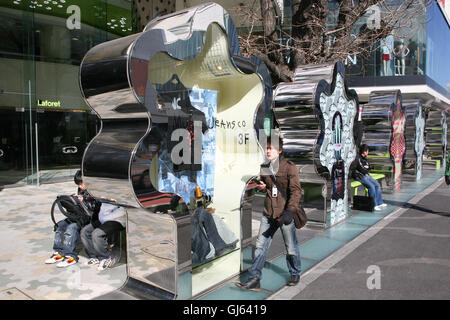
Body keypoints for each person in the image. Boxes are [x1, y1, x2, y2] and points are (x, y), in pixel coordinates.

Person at [236, 134, 302, 290]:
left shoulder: (289, 166)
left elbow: (296, 191)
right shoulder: (264, 166)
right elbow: (269, 186)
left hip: (284, 214)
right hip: (268, 213)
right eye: (266, 148)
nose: (268, 151)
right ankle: (254, 279)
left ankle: (295, 272)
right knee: (260, 246)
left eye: (271, 148)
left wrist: (290, 211)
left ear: (279, 150)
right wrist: (263, 187)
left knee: (291, 247)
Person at [45, 170, 98, 268]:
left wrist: (85, 200)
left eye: (81, 184)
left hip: (89, 219)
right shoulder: (81, 189)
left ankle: (71, 256)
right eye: (78, 185)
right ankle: (59, 252)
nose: (80, 187)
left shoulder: (95, 190)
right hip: (78, 216)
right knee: (60, 225)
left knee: (71, 228)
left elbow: (95, 207)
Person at [80, 198, 126, 271]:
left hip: (117, 220)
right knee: (85, 231)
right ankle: (94, 257)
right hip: (103, 219)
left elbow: (123, 210)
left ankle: (105, 258)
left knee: (97, 234)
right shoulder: (103, 193)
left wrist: (106, 218)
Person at [350, 144, 387, 211]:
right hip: (360, 176)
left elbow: (369, 166)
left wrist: (368, 168)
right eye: (367, 151)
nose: (368, 152)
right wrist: (367, 168)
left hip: (366, 175)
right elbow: (362, 169)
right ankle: (373, 204)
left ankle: (380, 202)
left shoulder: (365, 158)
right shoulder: (358, 158)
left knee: (377, 185)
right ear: (364, 152)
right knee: (371, 187)